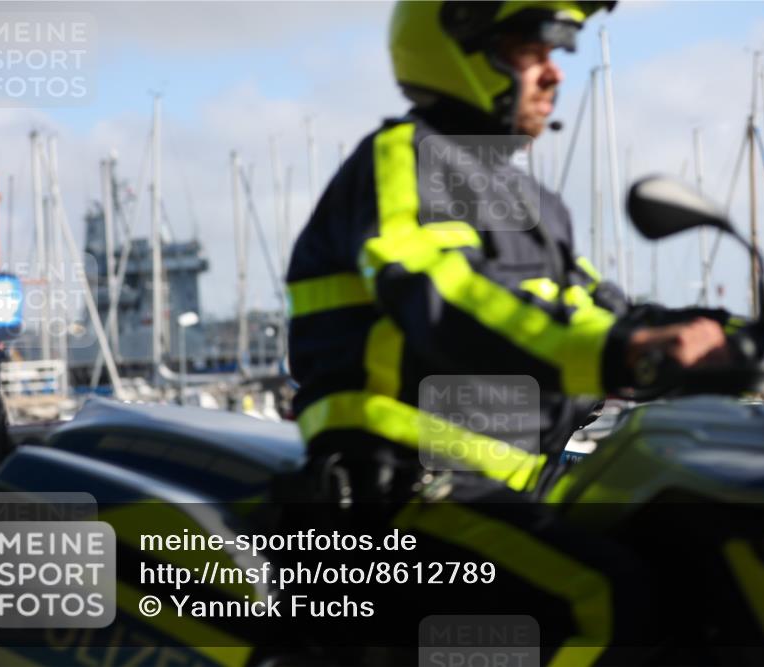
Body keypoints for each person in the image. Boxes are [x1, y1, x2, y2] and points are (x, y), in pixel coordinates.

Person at [285, 1, 729, 663]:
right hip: (401, 500)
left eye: (560, 53)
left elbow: (606, 311)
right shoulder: (407, 157)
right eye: (536, 48)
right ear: (463, 43)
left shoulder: (531, 206)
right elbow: (442, 291)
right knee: (612, 598)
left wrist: (758, 333)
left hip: (492, 496)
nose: (554, 73)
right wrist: (617, 352)